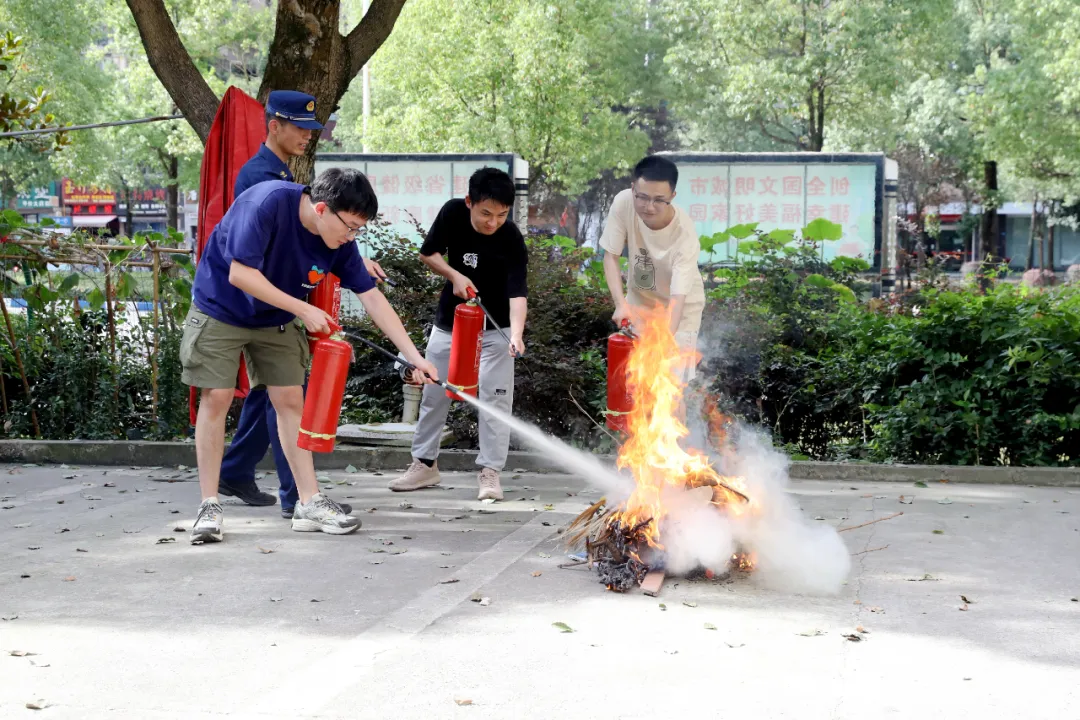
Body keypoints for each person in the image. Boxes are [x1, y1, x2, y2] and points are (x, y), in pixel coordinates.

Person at [182, 168, 438, 544]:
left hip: (276, 319)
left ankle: (309, 501)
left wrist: (414, 356)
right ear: (322, 208)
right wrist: (303, 310)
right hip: (220, 307)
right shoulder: (265, 204)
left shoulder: (339, 242)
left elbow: (371, 297)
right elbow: (240, 274)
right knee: (216, 397)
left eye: (358, 230)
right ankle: (209, 506)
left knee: (290, 400)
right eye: (349, 227)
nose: (352, 237)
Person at [216, 90, 386, 518]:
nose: (308, 136)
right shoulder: (262, 178)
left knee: (279, 396)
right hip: (256, 306)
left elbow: (316, 236)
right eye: (301, 128)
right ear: (275, 125)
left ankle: (240, 470)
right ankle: (298, 497)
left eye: (312, 130)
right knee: (286, 397)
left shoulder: (282, 171)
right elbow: (267, 252)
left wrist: (348, 253)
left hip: (281, 306)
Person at [388, 168, 527, 501]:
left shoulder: (511, 238)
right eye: (485, 213)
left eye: (501, 215)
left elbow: (518, 293)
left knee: (495, 399)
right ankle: (424, 464)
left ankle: (491, 472)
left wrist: (517, 335)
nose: (493, 222)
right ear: (469, 202)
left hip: (497, 330)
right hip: (451, 324)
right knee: (435, 391)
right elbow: (428, 253)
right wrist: (454, 275)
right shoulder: (452, 213)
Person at [600, 155, 705, 379]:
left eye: (659, 200)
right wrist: (621, 305)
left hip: (681, 309)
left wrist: (665, 339)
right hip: (640, 301)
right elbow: (611, 256)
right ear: (633, 188)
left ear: (672, 196)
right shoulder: (623, 203)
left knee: (670, 384)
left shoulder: (684, 235)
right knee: (636, 380)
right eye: (643, 197)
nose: (649, 207)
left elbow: (678, 298)